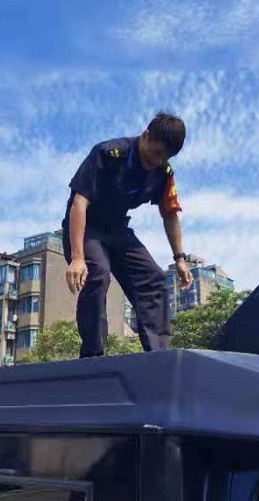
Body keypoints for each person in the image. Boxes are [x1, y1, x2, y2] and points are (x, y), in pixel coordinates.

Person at [61, 112, 194, 358]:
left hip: (117, 230)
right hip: (87, 226)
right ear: (145, 135)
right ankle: (93, 355)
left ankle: (158, 355)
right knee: (97, 273)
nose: (157, 161)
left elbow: (170, 214)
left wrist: (180, 258)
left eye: (164, 157)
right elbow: (79, 203)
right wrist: (78, 258)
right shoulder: (107, 154)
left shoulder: (163, 172)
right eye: (156, 153)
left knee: (153, 278)